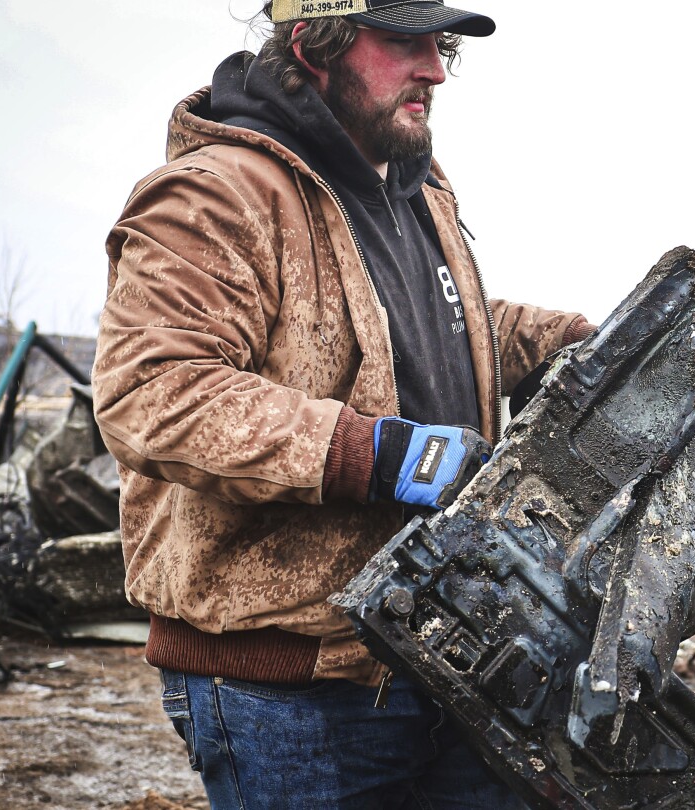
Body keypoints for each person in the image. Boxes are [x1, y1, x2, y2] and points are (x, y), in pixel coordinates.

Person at [91, 2, 593, 807]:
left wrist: (575, 341)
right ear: (312, 43)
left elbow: (433, 323)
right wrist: (390, 455)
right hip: (292, 688)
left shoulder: (414, 183)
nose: (433, 67)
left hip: (443, 655)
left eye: (442, 44)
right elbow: (156, 392)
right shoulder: (213, 196)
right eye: (403, 41)